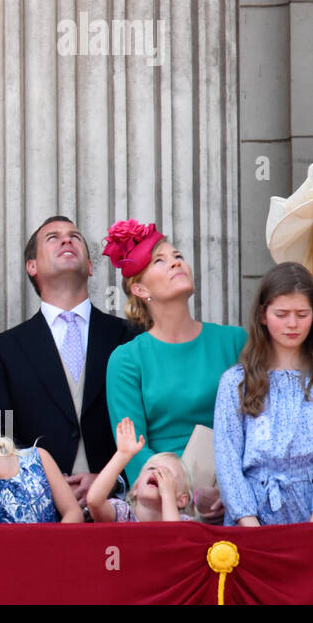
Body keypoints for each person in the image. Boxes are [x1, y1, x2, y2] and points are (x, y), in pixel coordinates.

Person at [0, 216, 135, 510]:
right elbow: (2, 438)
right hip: (40, 512)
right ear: (32, 267)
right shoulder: (1, 352)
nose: (66, 240)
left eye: (75, 237)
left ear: (90, 267)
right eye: (53, 238)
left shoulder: (131, 337)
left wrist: (112, 480)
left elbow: (146, 423)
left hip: (121, 507)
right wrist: (48, 483)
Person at [102, 220, 245, 522]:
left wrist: (230, 487)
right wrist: (187, 493)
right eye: (160, 260)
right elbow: (134, 450)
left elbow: (258, 425)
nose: (176, 262)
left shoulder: (235, 341)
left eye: (178, 256)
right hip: (162, 506)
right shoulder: (126, 359)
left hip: (237, 496)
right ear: (140, 288)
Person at [213, 261, 313, 526]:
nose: (292, 324)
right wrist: (250, 524)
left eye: (302, 314)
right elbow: (228, 460)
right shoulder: (236, 381)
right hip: (252, 517)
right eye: (281, 314)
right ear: (262, 315)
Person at [88, 418, 193, 522]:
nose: (156, 472)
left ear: (181, 500)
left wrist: (168, 496)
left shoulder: (185, 522)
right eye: (151, 468)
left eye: (166, 473)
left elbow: (175, 536)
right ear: (136, 488)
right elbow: (94, 502)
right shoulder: (123, 513)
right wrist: (122, 455)